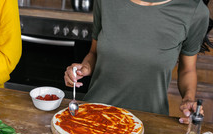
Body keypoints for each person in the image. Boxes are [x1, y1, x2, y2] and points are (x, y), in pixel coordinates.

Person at [64, 0, 212, 124]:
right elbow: (94, 52)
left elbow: (187, 69)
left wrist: (188, 98)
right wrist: (84, 68)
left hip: (148, 123)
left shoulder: (194, 11)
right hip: (92, 115)